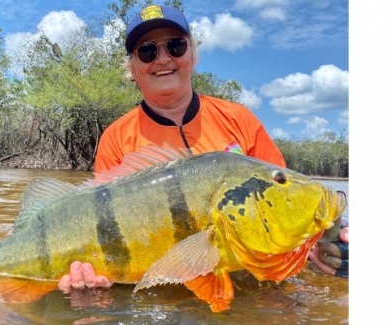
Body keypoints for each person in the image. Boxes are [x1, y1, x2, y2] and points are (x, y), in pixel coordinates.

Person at [57, 4, 348, 294]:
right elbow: (104, 234)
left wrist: (332, 234)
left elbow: (284, 202)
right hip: (164, 292)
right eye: (147, 51)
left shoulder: (239, 119)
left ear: (192, 55)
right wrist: (89, 281)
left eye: (175, 46)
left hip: (252, 283)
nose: (162, 59)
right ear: (132, 68)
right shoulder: (116, 138)